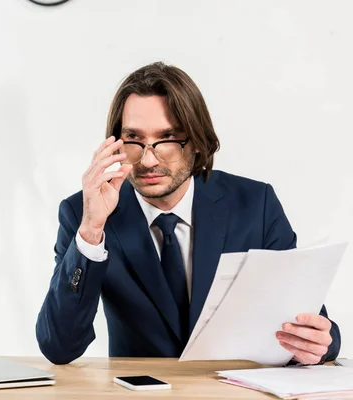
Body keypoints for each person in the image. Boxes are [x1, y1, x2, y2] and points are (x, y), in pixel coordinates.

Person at [36, 61, 340, 365]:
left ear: (196, 142)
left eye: (167, 140)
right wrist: (91, 230)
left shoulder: (255, 204)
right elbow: (59, 346)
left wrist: (320, 343)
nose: (148, 160)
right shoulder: (84, 213)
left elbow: (312, 324)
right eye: (134, 140)